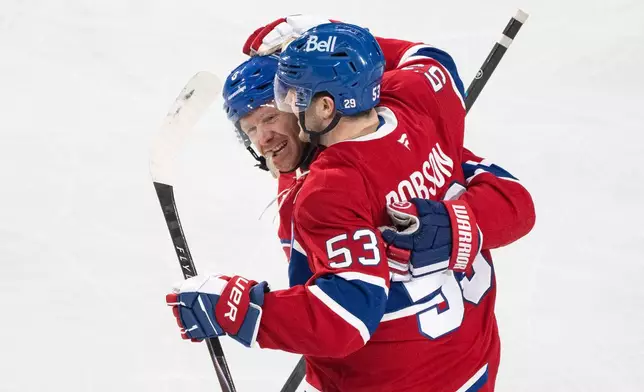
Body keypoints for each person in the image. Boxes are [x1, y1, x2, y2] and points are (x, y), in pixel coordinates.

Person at [167, 19, 535, 392]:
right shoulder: (417, 105)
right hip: (473, 363)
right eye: (248, 129)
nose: (263, 139)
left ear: (324, 105)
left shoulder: (328, 189)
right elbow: (427, 60)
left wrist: (242, 310)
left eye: (280, 108)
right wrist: (330, 43)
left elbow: (343, 318)